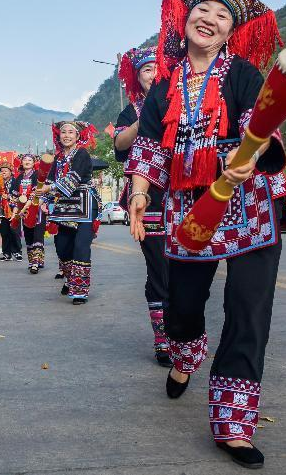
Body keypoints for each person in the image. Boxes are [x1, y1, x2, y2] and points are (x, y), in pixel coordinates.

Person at [125, 0, 286, 469]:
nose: (210, 18)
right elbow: (149, 146)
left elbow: (261, 125)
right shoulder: (164, 88)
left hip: (250, 207)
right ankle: (185, 352)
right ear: (186, 21)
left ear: (229, 32)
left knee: (248, 312)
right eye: (203, 10)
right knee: (183, 309)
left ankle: (234, 425)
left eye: (222, 15)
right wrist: (137, 192)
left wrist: (249, 153)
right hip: (188, 210)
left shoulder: (242, 74)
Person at [116, 47, 172, 368]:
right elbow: (120, 144)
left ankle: (182, 331)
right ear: (137, 78)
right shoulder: (132, 111)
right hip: (147, 194)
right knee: (158, 264)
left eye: (156, 68)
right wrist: (147, 117)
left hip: (179, 191)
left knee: (183, 265)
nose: (152, 74)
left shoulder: (181, 98)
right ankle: (163, 338)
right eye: (145, 70)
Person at [37, 121, 100, 304]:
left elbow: (72, 179)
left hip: (84, 204)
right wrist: (42, 200)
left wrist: (48, 190)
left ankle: (79, 291)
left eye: (71, 132)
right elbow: (49, 180)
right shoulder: (57, 158)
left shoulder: (81, 154)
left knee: (81, 247)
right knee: (62, 247)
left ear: (78, 136)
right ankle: (69, 278)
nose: (66, 135)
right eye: (63, 132)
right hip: (63, 207)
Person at [15, 154, 46, 274]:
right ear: (21, 163)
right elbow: (14, 193)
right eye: (25, 160)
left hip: (37, 209)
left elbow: (40, 190)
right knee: (28, 236)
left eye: (30, 160)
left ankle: (36, 263)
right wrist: (15, 201)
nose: (27, 162)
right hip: (24, 211)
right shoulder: (18, 178)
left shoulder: (38, 175)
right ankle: (32, 261)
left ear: (34, 163)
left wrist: (31, 200)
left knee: (37, 235)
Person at [0, 166, 22, 261]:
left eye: (5, 171)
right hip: (2, 211)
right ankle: (7, 253)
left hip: (13, 210)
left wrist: (8, 196)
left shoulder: (15, 182)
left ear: (10, 172)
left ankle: (17, 252)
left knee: (14, 231)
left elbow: (18, 194)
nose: (3, 172)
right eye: (2, 171)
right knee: (4, 232)